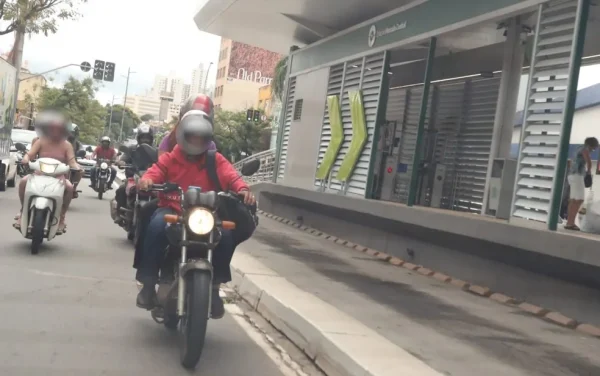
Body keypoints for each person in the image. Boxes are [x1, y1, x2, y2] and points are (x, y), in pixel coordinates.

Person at [135, 108, 256, 318]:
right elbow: (155, 171)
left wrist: (243, 190)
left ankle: (215, 287)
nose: (197, 141)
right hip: (172, 209)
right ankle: (148, 284)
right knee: (155, 228)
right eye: (193, 137)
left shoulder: (215, 159)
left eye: (202, 138)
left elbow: (232, 176)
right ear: (184, 136)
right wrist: (148, 180)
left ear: (208, 139)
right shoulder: (171, 158)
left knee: (226, 237)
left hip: (205, 214)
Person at [14, 110, 81, 232]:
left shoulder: (67, 145)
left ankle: (61, 217)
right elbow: (30, 155)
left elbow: (72, 161)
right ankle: (23, 211)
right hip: (39, 174)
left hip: (58, 177)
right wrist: (25, 159)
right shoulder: (41, 141)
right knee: (23, 181)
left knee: (70, 187)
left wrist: (76, 166)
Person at [114, 124, 155, 219]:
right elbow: (124, 158)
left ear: (151, 139)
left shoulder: (155, 150)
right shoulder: (132, 149)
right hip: (133, 177)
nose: (145, 140)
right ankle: (119, 213)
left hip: (149, 179)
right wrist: (122, 162)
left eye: (148, 138)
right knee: (121, 189)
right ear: (138, 138)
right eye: (143, 138)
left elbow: (161, 162)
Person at [565, 137, 599, 231]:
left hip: (571, 175)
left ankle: (569, 222)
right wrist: (588, 172)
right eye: (594, 148)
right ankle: (570, 223)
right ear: (592, 145)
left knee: (573, 200)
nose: (593, 150)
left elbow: (572, 161)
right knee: (579, 200)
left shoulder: (578, 148)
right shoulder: (585, 149)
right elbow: (588, 161)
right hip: (578, 176)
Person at [66, 123, 83, 198]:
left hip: (72, 162)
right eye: (68, 132)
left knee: (81, 171)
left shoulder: (78, 144)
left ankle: (74, 188)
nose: (70, 135)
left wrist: (82, 153)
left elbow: (82, 150)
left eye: (72, 133)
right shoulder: (60, 141)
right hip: (60, 161)